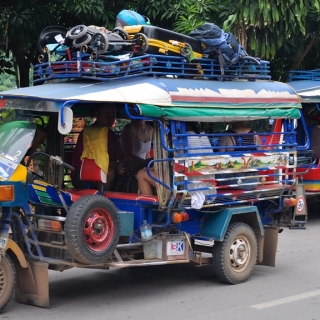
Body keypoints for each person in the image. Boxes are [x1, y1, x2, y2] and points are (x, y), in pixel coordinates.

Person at [71, 104, 126, 191]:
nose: (110, 118)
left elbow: (121, 156)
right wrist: (115, 165)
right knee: (110, 172)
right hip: (82, 173)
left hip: (106, 172)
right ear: (97, 114)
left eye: (113, 115)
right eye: (106, 114)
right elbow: (93, 161)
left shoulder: (112, 136)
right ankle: (102, 201)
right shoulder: (88, 133)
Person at [217, 121, 261, 190]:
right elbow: (259, 155)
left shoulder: (226, 135)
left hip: (234, 182)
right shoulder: (254, 134)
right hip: (253, 181)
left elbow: (219, 159)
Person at [119, 119, 156, 194]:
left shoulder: (150, 129)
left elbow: (147, 154)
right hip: (132, 163)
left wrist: (149, 166)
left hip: (144, 163)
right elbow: (129, 154)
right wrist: (147, 163)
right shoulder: (129, 128)